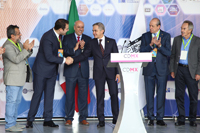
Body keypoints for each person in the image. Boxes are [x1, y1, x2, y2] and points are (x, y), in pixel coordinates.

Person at [66, 22, 120, 127]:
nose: (93, 32)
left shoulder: (112, 42)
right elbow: (84, 55)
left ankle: (116, 118)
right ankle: (101, 120)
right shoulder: (91, 43)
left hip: (111, 72)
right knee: (100, 96)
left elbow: (116, 58)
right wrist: (73, 59)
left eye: (95, 30)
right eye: (93, 30)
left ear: (102, 31)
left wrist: (117, 73)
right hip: (99, 73)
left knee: (114, 95)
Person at [26, 19, 70, 128]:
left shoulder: (58, 37)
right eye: (67, 29)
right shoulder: (48, 37)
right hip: (41, 71)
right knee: (37, 94)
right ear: (60, 29)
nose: (68, 30)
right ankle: (30, 120)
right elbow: (49, 57)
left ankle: (48, 119)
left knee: (49, 96)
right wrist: (64, 60)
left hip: (51, 72)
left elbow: (59, 52)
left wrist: (70, 53)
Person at [140, 18, 171, 126]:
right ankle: (150, 118)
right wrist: (150, 45)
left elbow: (168, 52)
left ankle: (159, 118)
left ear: (159, 26)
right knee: (149, 94)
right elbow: (141, 51)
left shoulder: (166, 36)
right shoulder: (145, 36)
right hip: (149, 68)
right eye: (149, 26)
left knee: (161, 94)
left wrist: (159, 46)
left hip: (161, 69)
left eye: (153, 26)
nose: (150, 28)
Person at [3, 25, 34, 132]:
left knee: (16, 102)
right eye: (18, 33)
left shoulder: (19, 44)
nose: (21, 35)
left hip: (20, 78)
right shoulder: (7, 46)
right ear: (12, 35)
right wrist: (25, 49)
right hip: (12, 79)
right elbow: (16, 59)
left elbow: (24, 56)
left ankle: (13, 123)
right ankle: (9, 125)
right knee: (11, 102)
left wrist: (29, 49)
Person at [170, 20, 200, 127]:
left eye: (184, 28)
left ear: (190, 30)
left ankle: (192, 119)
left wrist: (198, 73)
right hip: (179, 70)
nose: (182, 30)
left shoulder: (197, 41)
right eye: (181, 28)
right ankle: (181, 119)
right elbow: (173, 56)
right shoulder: (177, 40)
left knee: (193, 96)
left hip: (192, 71)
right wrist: (172, 70)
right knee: (179, 95)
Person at [62, 20, 91, 126]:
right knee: (69, 95)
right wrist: (74, 49)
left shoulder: (88, 39)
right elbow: (63, 52)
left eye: (82, 27)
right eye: (78, 27)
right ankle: (69, 118)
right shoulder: (67, 37)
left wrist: (82, 48)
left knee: (83, 96)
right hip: (71, 70)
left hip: (83, 71)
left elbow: (90, 53)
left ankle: (83, 118)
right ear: (74, 27)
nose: (81, 29)